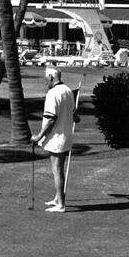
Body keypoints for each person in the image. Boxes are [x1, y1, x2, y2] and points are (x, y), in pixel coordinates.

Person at [31, 67, 80, 212]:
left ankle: (61, 205)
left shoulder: (53, 93)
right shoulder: (68, 91)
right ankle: (58, 198)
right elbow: (75, 115)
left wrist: (39, 136)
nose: (45, 81)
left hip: (57, 137)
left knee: (57, 169)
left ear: (52, 77)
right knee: (58, 169)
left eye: (46, 78)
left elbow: (51, 119)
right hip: (65, 136)